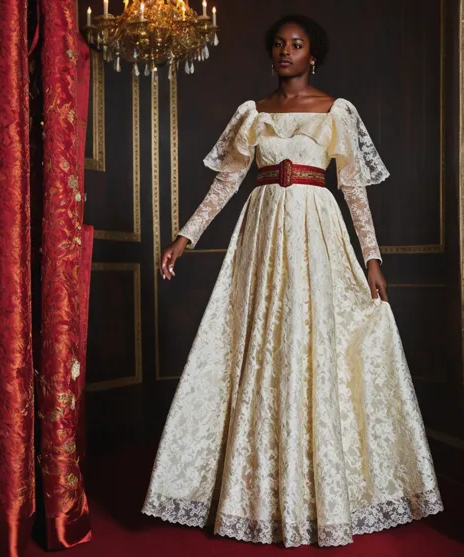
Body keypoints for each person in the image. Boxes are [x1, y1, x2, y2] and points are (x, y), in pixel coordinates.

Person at [142, 14, 443, 548]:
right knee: (261, 347)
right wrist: (183, 238)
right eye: (279, 44)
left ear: (313, 55)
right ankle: (255, 493)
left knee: (312, 346)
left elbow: (353, 191)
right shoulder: (252, 115)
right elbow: (224, 185)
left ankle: (320, 494)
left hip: (317, 236)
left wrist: (372, 258)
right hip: (261, 237)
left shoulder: (336, 112)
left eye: (296, 45)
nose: (286, 51)